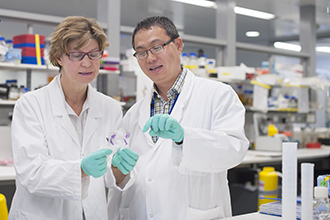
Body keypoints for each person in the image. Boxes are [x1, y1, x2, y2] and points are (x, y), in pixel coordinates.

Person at [108, 16, 249, 219]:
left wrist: (185, 138)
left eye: (157, 47)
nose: (150, 58)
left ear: (178, 44)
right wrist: (117, 168)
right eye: (141, 52)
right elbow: (134, 177)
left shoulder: (218, 94)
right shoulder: (133, 114)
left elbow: (235, 150)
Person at [8, 16, 138, 220]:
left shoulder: (110, 108)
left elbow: (111, 176)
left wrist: (119, 167)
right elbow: (32, 173)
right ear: (59, 57)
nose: (87, 63)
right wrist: (81, 169)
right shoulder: (30, 105)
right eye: (77, 55)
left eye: (94, 54)